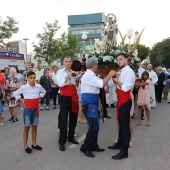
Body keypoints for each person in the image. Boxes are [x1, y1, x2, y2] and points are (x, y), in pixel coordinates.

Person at [80, 57, 116, 158]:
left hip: (93, 103)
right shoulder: (88, 76)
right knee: (92, 127)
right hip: (89, 103)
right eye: (97, 65)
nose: (98, 66)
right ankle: (85, 147)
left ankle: (93, 145)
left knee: (95, 126)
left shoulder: (92, 75)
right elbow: (101, 84)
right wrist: (109, 75)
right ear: (93, 65)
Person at [108, 52, 135, 160]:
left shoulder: (129, 72)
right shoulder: (122, 71)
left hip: (126, 99)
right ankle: (119, 143)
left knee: (125, 126)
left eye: (120, 59)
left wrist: (116, 80)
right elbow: (118, 86)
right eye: (118, 60)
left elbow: (125, 88)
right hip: (121, 99)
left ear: (126, 59)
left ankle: (124, 151)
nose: (119, 61)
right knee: (120, 123)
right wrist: (116, 81)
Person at [13, 71, 46, 153]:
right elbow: (15, 93)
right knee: (27, 127)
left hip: (35, 109)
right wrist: (22, 100)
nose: (32, 79)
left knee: (34, 127)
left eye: (34, 78)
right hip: (27, 109)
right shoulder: (24, 87)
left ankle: (34, 144)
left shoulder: (38, 86)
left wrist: (40, 97)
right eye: (30, 78)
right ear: (27, 78)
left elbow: (44, 91)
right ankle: (25, 145)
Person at [57, 56, 80, 152]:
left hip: (73, 96)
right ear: (63, 62)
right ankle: (62, 141)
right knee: (63, 119)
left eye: (69, 61)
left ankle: (71, 137)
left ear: (71, 62)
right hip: (64, 97)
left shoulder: (74, 71)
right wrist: (69, 75)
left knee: (73, 117)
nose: (67, 63)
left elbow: (76, 84)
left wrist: (78, 77)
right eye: (66, 61)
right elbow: (61, 84)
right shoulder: (60, 72)